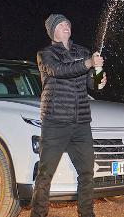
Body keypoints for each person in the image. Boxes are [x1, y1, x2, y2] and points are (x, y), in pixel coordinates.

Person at [30, 14, 106, 217]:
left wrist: (98, 75)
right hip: (55, 121)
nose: (66, 26)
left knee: (87, 173)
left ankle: (87, 214)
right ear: (52, 30)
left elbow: (92, 84)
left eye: (68, 23)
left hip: (81, 122)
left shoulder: (82, 52)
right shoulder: (45, 54)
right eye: (61, 24)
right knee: (45, 174)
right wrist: (88, 63)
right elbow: (60, 70)